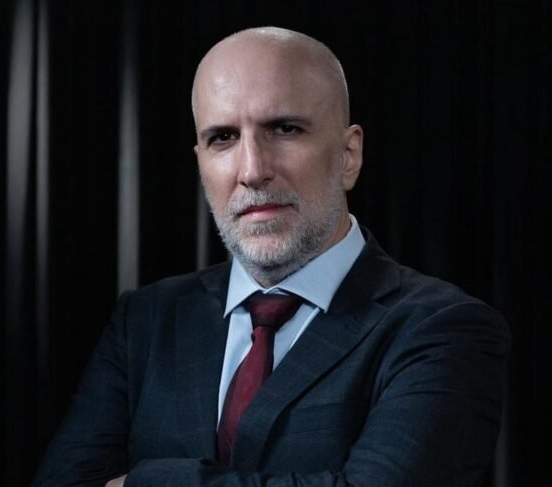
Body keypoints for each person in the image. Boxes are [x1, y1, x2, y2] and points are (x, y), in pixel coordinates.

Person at [33, 27, 510, 486]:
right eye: (223, 138)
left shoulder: (444, 329)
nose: (252, 170)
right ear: (200, 161)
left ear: (348, 155)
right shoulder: (146, 320)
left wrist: (145, 481)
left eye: (284, 129)